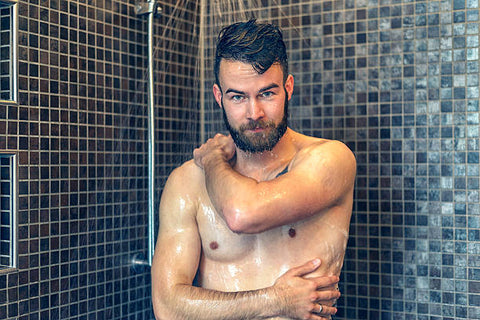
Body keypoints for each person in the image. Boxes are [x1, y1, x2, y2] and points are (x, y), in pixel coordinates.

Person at [151, 19, 356, 320]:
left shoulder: (329, 160)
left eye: (267, 94)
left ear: (288, 88)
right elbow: (168, 308)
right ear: (219, 97)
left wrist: (212, 160)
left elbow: (242, 212)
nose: (254, 113)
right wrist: (274, 301)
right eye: (238, 97)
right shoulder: (187, 184)